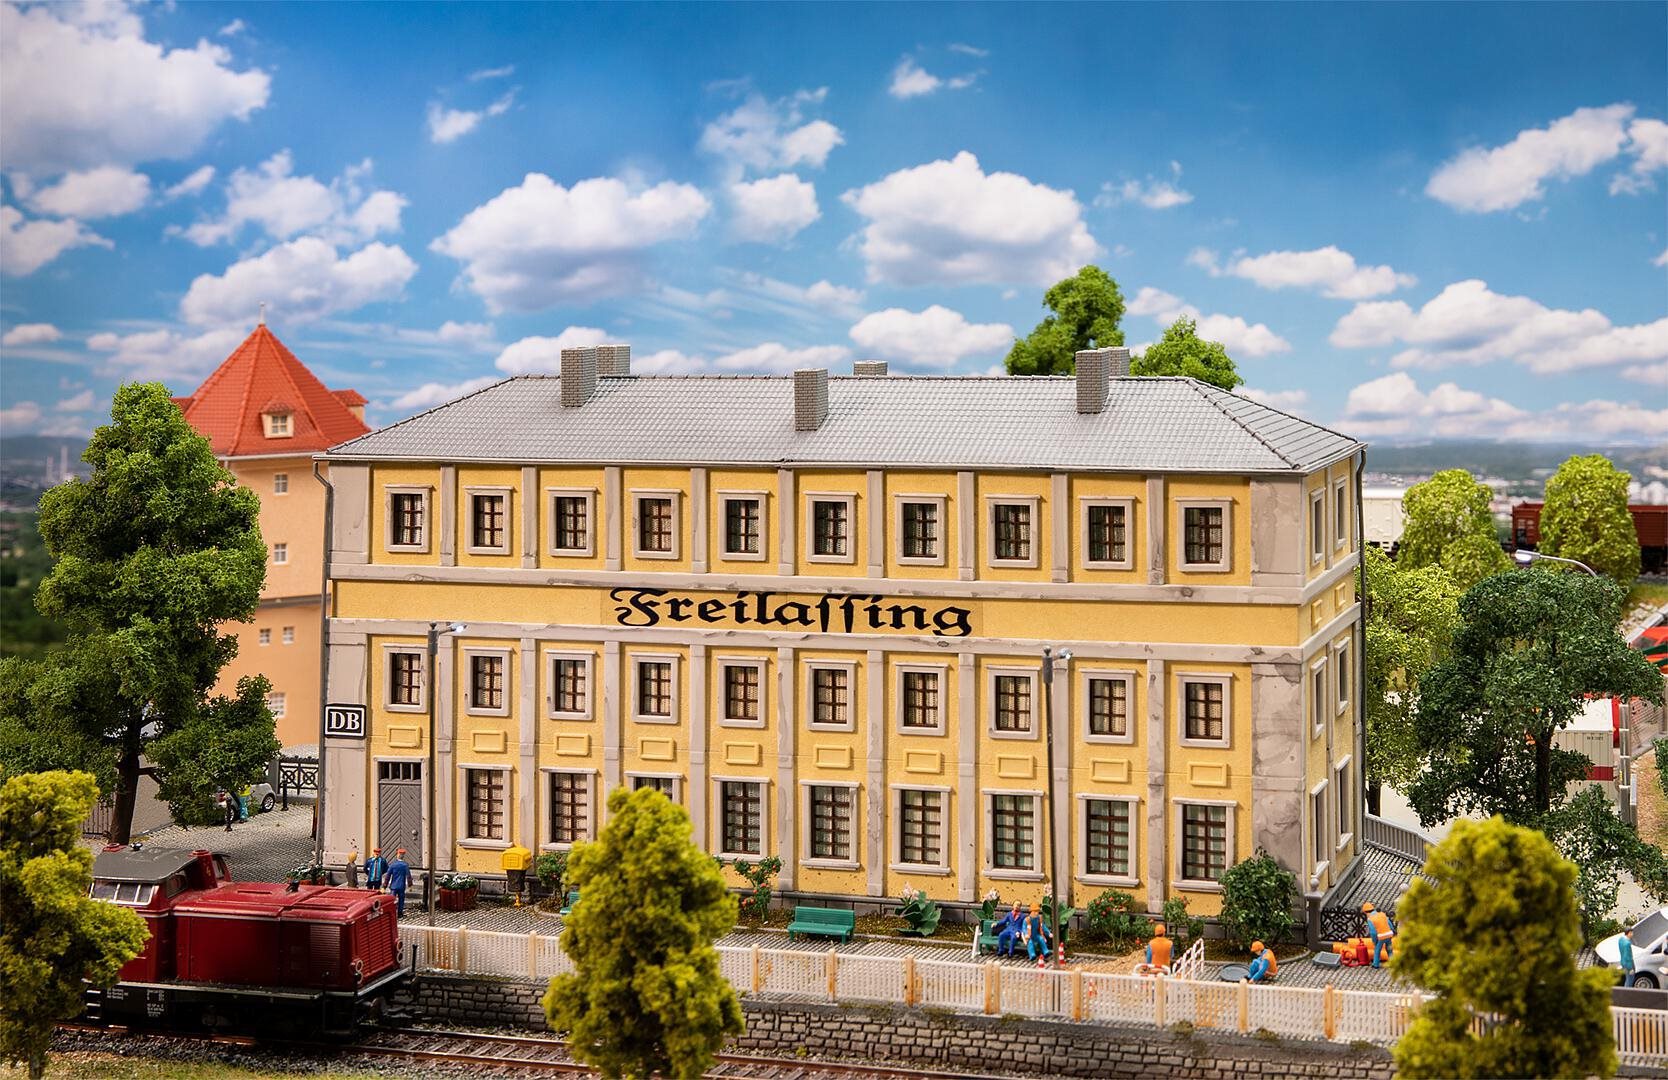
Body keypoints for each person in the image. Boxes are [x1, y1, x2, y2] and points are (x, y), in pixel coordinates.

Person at [1363, 903, 1396, 968]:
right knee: (1389, 949)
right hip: (1389, 934)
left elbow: (1373, 932)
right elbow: (1389, 923)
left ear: (1366, 912)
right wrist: (1392, 930)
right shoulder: (1382, 914)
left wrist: (1374, 941)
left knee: (1377, 950)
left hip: (1381, 936)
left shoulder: (1370, 919)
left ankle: (1375, 964)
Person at [1023, 902, 1054, 967]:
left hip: (1036, 934)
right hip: (1029, 935)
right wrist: (1026, 934)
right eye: (1035, 911)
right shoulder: (1027, 920)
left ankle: (1045, 951)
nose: (1036, 913)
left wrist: (1048, 933)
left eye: (1037, 911)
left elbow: (1043, 927)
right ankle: (1032, 954)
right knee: (1030, 942)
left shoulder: (1039, 919)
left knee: (1041, 939)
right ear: (1031, 911)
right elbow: (1024, 928)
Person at [385, 848, 411, 916]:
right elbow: (408, 876)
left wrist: (384, 886)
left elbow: (388, 876)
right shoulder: (405, 865)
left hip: (393, 886)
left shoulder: (393, 865)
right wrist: (410, 885)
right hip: (401, 886)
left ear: (397, 855)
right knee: (401, 900)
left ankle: (391, 912)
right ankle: (400, 913)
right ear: (403, 856)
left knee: (392, 900)